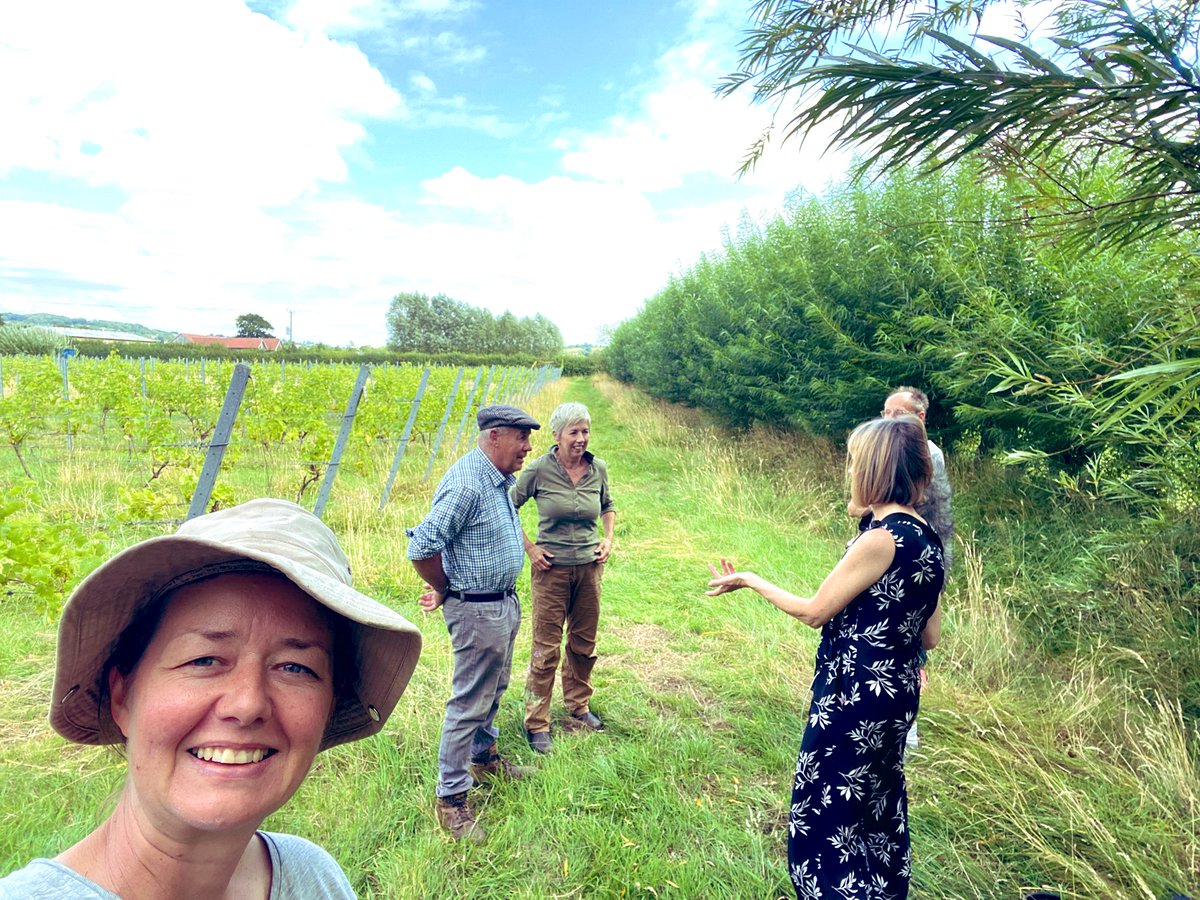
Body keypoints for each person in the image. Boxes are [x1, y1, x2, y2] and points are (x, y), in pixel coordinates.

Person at [0, 498, 422, 899]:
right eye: (204, 660)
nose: (247, 704)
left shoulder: (311, 877)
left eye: (295, 667)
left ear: (329, 707)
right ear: (123, 697)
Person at [707, 416, 944, 899]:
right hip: (896, 692)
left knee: (828, 808)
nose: (850, 470)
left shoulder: (882, 538)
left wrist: (750, 579)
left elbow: (814, 611)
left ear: (875, 469)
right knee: (875, 804)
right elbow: (932, 635)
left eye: (855, 461)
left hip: (856, 693)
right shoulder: (928, 537)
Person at [406, 403, 540, 843]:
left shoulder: (497, 479)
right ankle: (451, 800)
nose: (527, 446)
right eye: (521, 437)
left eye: (529, 437)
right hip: (477, 610)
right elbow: (422, 546)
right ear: (495, 436)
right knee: (468, 703)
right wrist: (448, 587)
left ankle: (484, 759)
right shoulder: (467, 483)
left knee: (494, 690)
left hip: (502, 603)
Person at [512, 401, 615, 754]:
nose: (581, 439)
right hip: (551, 572)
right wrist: (530, 547)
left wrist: (608, 538)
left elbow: (608, 505)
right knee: (545, 649)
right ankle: (536, 722)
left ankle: (578, 706)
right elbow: (507, 507)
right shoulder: (539, 469)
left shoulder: (597, 468)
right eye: (574, 432)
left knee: (584, 645)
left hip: (589, 569)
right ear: (557, 435)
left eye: (585, 431)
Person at [852, 386, 953, 749]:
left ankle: (904, 723)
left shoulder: (926, 454)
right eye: (886, 412)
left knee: (908, 640)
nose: (889, 419)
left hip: (909, 555)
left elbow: (924, 509)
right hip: (894, 547)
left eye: (898, 414)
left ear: (920, 418)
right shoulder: (888, 445)